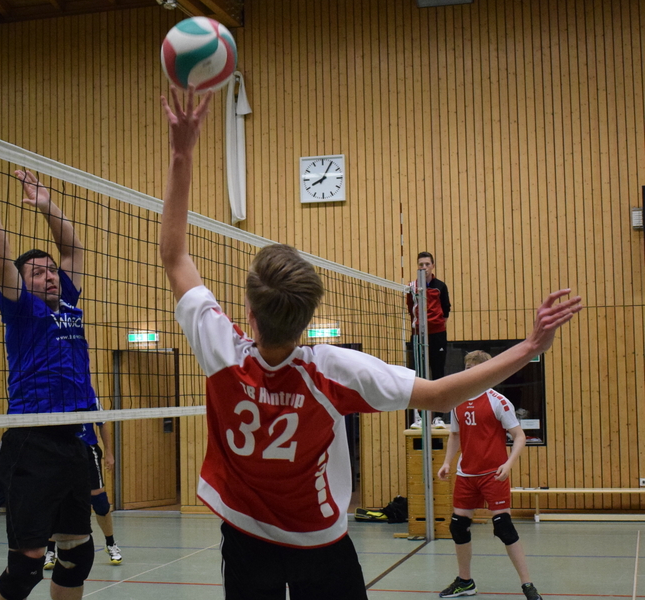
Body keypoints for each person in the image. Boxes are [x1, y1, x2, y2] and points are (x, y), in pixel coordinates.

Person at [158, 86, 581, 600]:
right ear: (308, 320)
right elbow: (441, 395)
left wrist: (182, 153)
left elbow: (174, 256)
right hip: (319, 540)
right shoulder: (333, 369)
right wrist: (530, 346)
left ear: (248, 313)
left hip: (245, 534)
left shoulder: (221, 350)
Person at [0, 157, 96, 600]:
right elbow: (0, 260)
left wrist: (46, 204)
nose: (50, 275)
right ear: (22, 281)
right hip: (32, 441)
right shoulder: (21, 307)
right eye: (39, 272)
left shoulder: (67, 302)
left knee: (78, 556)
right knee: (28, 563)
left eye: (51, 270)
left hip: (73, 440)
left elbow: (73, 250)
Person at [436, 350, 541, 599]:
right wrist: (447, 462)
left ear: (486, 372)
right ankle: (465, 581)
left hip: (493, 474)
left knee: (504, 527)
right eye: (467, 369)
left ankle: (528, 585)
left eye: (474, 370)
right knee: (458, 526)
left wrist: (509, 464)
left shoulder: (498, 401)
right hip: (466, 474)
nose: (469, 374)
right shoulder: (457, 400)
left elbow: (519, 436)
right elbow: (454, 435)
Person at [44, 419, 122, 569]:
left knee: (100, 501)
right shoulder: (52, 403)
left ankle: (110, 544)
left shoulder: (90, 403)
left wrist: (109, 452)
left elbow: (102, 423)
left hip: (88, 450)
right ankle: (50, 551)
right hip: (60, 450)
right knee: (56, 500)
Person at [406, 251, 451, 380]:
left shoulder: (440, 286)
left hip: (437, 335)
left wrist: (436, 325)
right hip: (418, 335)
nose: (424, 267)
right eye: (421, 265)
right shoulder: (412, 287)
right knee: (417, 372)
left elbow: (446, 308)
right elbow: (410, 308)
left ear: (433, 266)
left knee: (438, 370)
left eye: (427, 264)